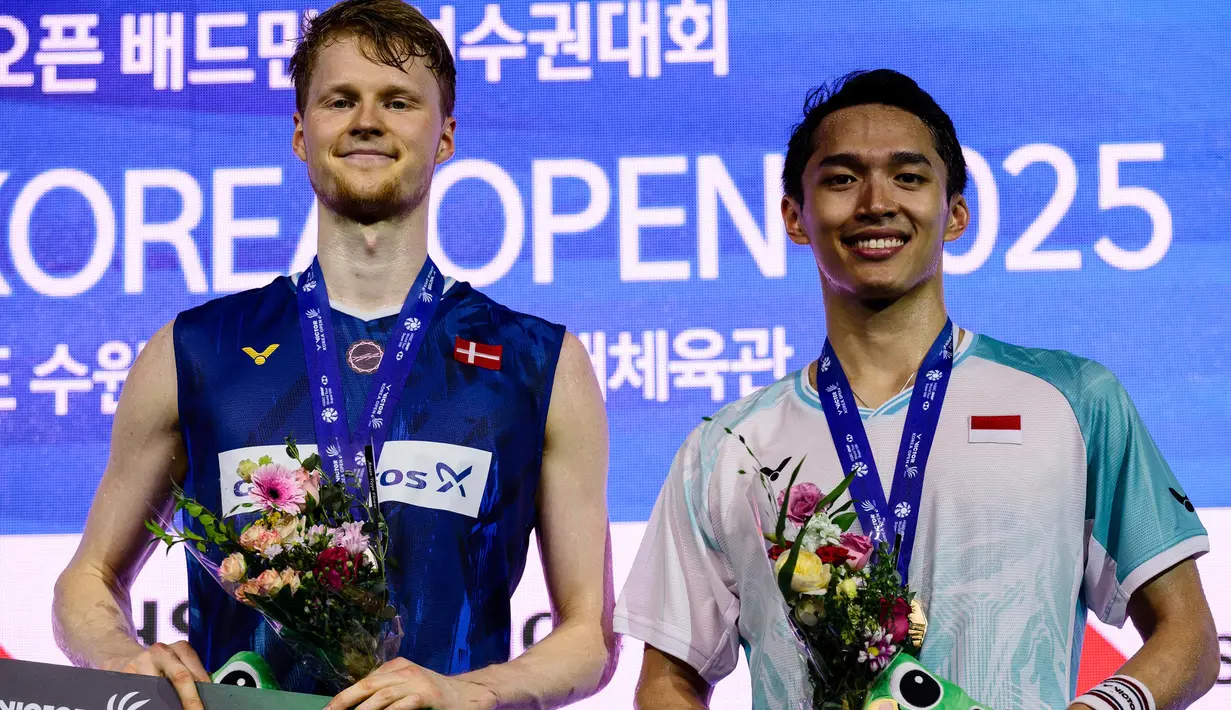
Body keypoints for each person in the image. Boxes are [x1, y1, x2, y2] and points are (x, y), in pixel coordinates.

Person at [51, 1, 618, 709]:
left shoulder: (540, 362)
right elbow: (86, 579)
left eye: (398, 101)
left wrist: (463, 694)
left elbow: (589, 637)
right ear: (300, 133)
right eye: (340, 99)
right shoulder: (195, 349)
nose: (367, 120)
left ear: (443, 137)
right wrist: (117, 656)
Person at [614, 69, 1217, 709]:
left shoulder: (1073, 400)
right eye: (842, 179)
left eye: (909, 177)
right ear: (795, 216)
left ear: (955, 212)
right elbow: (668, 682)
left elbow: (1190, 637)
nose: (876, 202)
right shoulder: (730, 447)